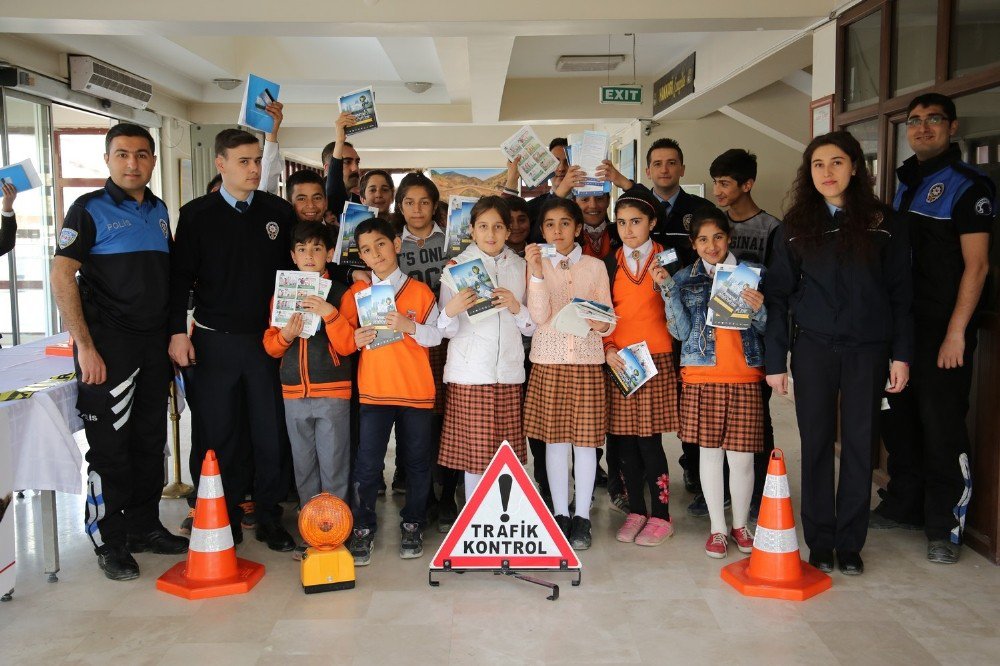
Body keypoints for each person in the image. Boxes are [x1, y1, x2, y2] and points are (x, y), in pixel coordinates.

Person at [764, 131, 913, 576]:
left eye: (836, 163)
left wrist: (901, 355)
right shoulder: (795, 227)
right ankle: (821, 541)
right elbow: (776, 297)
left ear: (854, 168)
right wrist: (776, 363)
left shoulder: (884, 222)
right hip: (813, 348)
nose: (827, 173)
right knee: (815, 443)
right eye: (817, 165)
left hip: (868, 350)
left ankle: (850, 544)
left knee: (860, 447)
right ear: (808, 174)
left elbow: (901, 295)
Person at [51, 123, 187, 581]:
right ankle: (109, 541)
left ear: (152, 160)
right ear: (108, 159)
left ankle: (145, 527)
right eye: (123, 154)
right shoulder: (88, 209)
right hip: (107, 350)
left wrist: (172, 334)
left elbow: (167, 281)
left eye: (143, 154)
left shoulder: (159, 209)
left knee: (151, 442)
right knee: (111, 450)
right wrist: (84, 346)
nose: (134, 163)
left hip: (152, 349)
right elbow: (61, 275)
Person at [874, 93, 996, 564]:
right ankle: (904, 505)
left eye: (933, 120)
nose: (923, 128)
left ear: (953, 126)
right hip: (902, 328)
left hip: (944, 332)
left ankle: (945, 526)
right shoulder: (906, 182)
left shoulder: (969, 185)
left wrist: (956, 332)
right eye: (915, 121)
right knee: (898, 419)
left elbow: (978, 266)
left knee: (942, 426)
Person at [168, 128, 298, 553]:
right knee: (216, 432)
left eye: (257, 160)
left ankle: (267, 514)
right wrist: (175, 332)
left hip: (266, 343)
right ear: (220, 164)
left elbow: (296, 272)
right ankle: (218, 512)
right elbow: (179, 280)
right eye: (243, 161)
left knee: (268, 431)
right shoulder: (196, 215)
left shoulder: (277, 211)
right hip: (214, 342)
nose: (254, 168)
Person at [660, 208, 766, 559]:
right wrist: (667, 292)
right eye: (702, 239)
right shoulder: (684, 280)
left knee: (742, 459)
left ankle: (740, 525)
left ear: (729, 238)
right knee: (709, 455)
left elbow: (769, 328)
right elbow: (680, 332)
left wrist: (759, 308)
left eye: (718, 237)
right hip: (702, 376)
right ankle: (718, 528)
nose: (711, 245)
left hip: (744, 375)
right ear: (693, 244)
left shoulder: (753, 275)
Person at [343, 217, 443, 565]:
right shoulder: (358, 294)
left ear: (396, 245)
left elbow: (437, 335)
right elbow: (345, 340)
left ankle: (413, 522)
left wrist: (408, 325)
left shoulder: (421, 292)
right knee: (368, 464)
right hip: (374, 392)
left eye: (381, 245)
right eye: (367, 250)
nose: (376, 254)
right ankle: (363, 528)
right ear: (362, 257)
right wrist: (354, 339)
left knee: (416, 463)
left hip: (415, 392)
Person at [524, 198, 614, 550]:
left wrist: (596, 321)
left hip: (588, 364)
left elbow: (606, 323)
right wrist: (535, 272)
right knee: (556, 442)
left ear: (578, 228)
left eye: (565, 223)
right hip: (548, 362)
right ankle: (560, 513)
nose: (557, 231)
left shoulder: (594, 266)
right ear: (542, 230)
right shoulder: (536, 264)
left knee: (587, 443)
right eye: (549, 224)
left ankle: (583, 517)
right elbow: (538, 316)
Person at [263, 222, 357, 557]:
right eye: (301, 249)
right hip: (292, 391)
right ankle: (311, 527)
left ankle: (337, 527)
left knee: (334, 463)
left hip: (332, 390)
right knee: (303, 463)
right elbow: (272, 347)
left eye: (317, 248)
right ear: (292, 255)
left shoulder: (342, 292)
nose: (309, 255)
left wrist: (329, 313)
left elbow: (348, 346)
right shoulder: (283, 292)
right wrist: (286, 335)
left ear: (329, 254)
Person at [437, 196, 535, 493]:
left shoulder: (520, 267)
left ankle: (499, 515)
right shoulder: (456, 268)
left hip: (508, 373)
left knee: (506, 457)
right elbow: (445, 329)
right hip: (470, 375)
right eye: (483, 226)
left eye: (497, 227)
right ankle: (474, 517)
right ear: (472, 230)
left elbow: (532, 326)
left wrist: (517, 308)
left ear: (508, 231)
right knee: (475, 458)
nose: (490, 234)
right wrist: (451, 309)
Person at [602, 185, 679, 547]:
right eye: (621, 223)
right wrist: (606, 348)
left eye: (636, 221)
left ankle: (661, 515)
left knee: (650, 441)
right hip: (622, 359)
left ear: (652, 222)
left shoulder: (671, 260)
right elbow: (601, 315)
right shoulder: (608, 263)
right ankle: (635, 509)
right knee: (625, 441)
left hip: (657, 358)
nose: (628, 229)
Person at [710, 148, 782, 519]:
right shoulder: (715, 223)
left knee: (756, 420)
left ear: (747, 184)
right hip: (715, 342)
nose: (718, 191)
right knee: (715, 421)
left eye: (724, 184)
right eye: (715, 183)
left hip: (754, 337)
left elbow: (780, 284)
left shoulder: (771, 228)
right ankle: (721, 491)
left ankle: (761, 490)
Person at [324, 112, 363, 219]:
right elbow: (334, 187)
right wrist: (340, 140)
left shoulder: (362, 202)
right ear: (328, 169)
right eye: (346, 162)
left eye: (357, 162)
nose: (355, 169)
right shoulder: (320, 205)